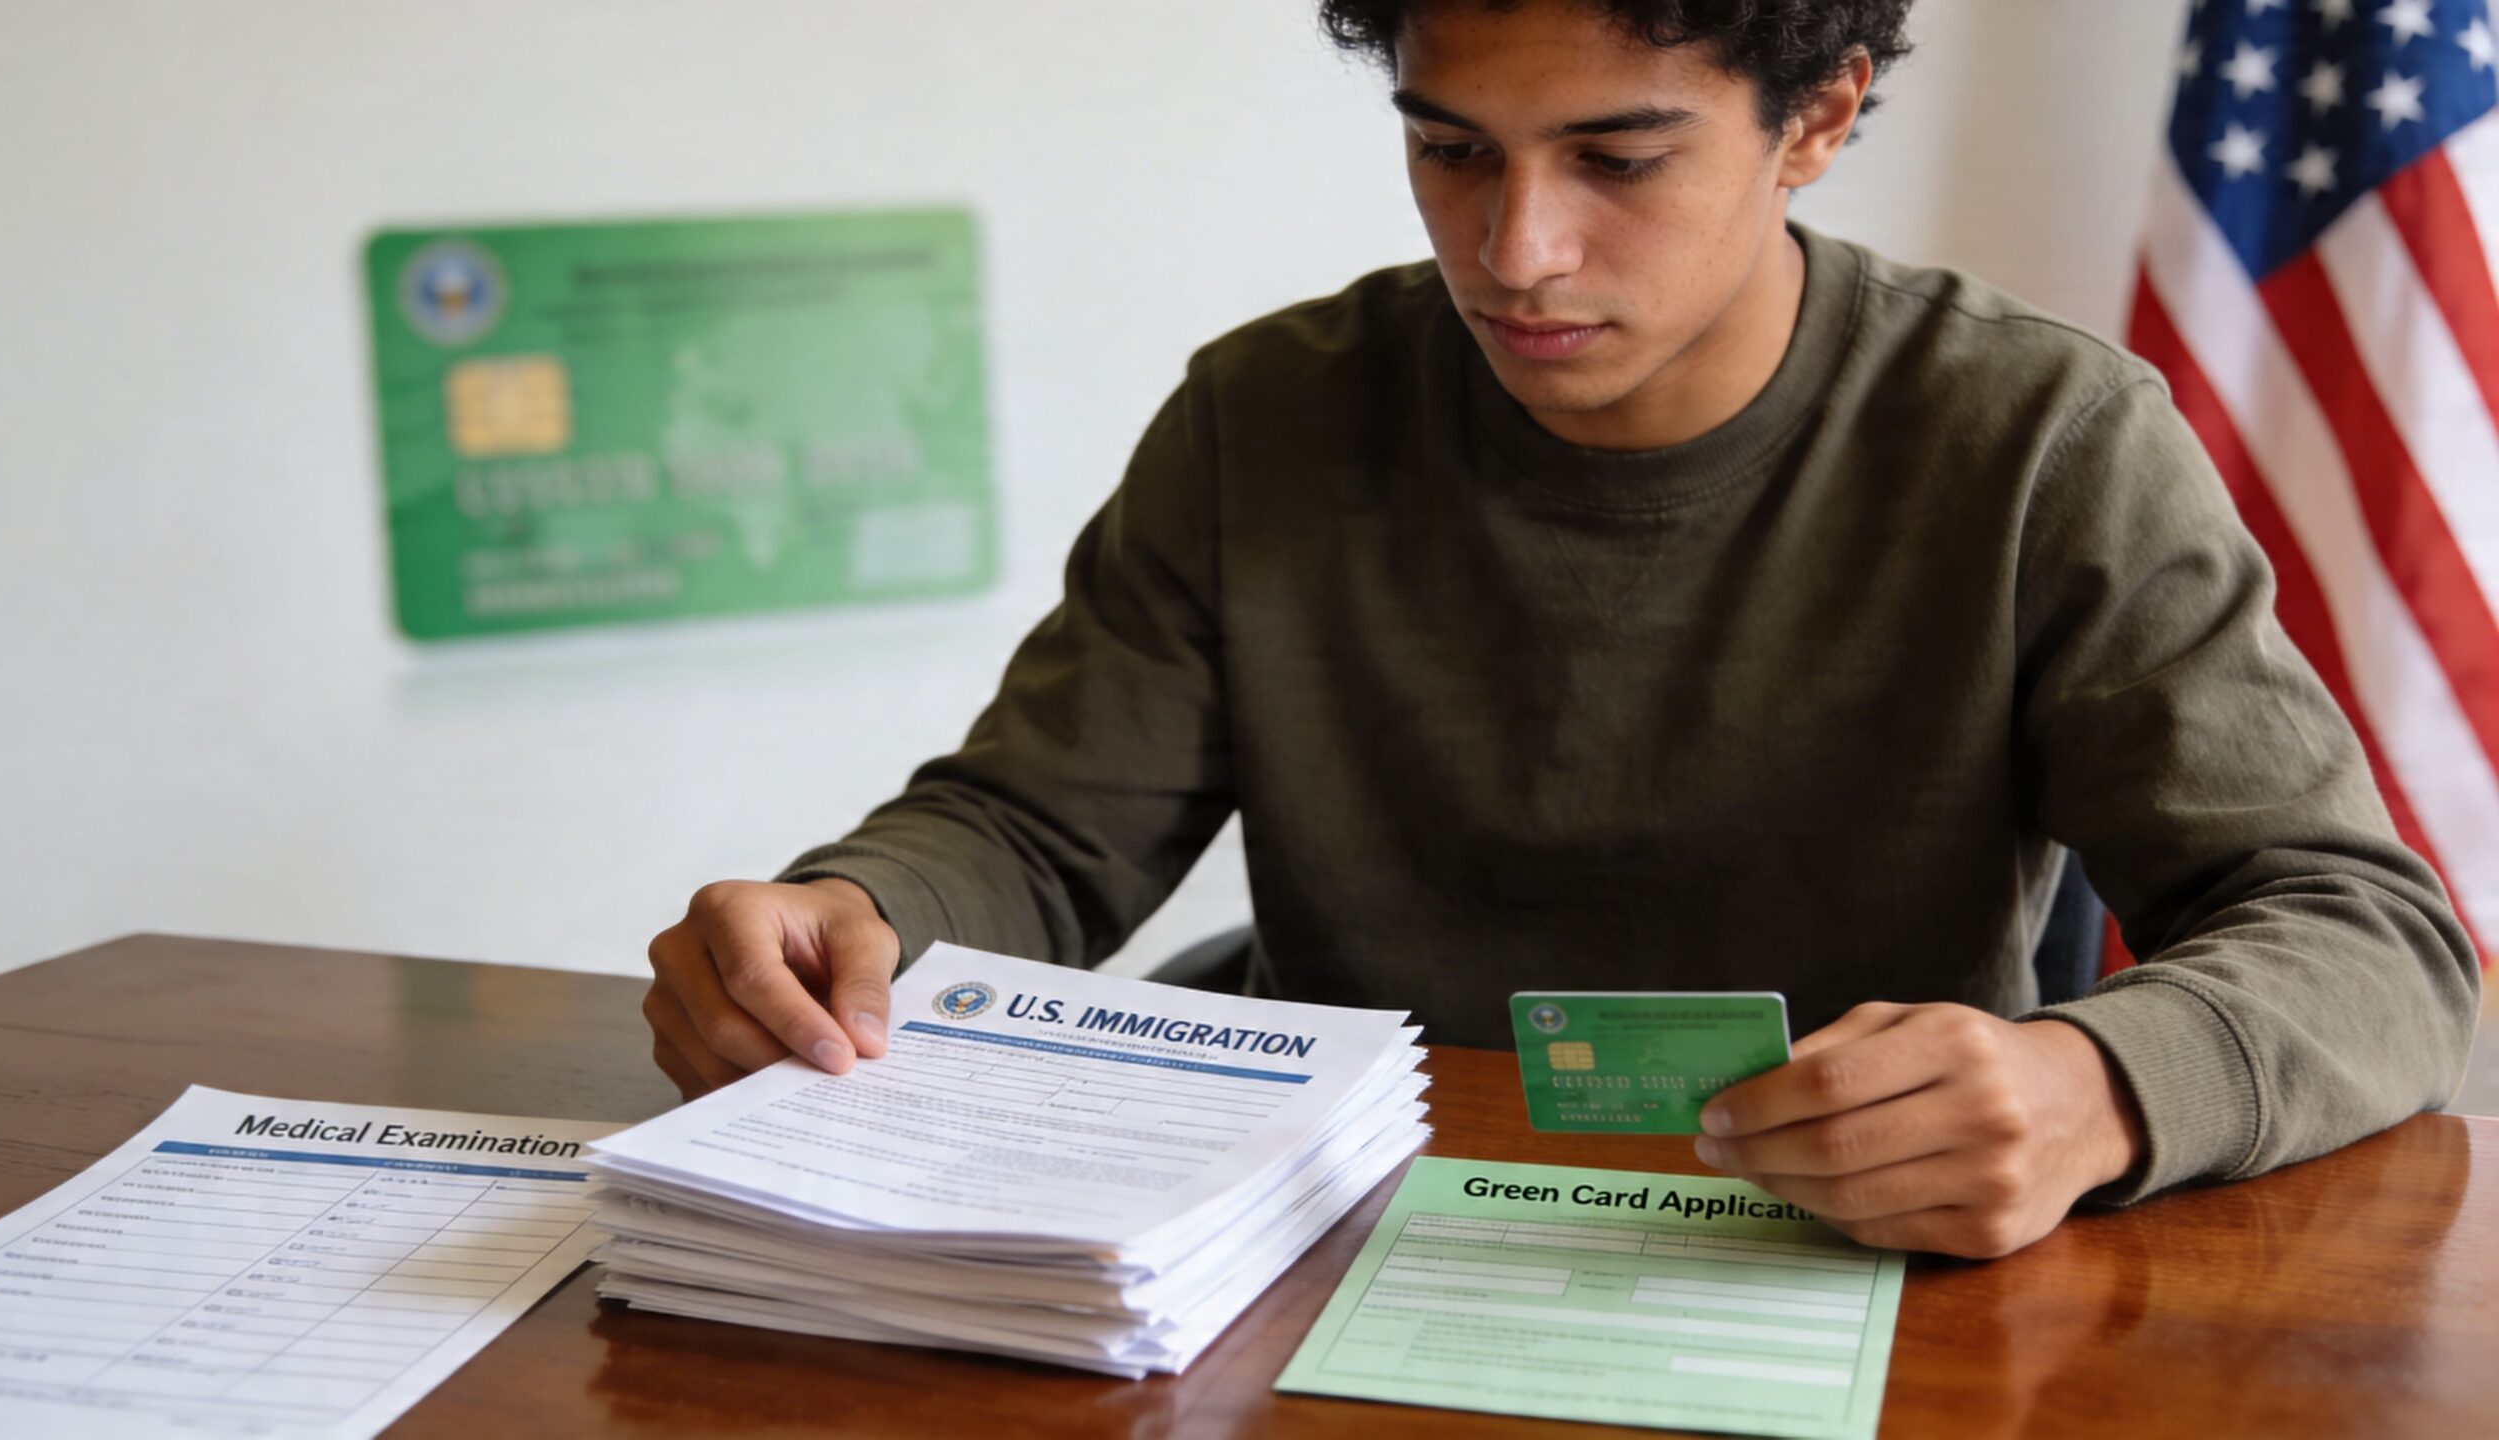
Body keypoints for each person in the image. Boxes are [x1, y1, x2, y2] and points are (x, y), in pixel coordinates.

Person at [641, 0, 2482, 1259]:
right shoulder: (1266, 416)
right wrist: (860, 914)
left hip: (1848, 1257)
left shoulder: (2038, 442)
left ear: (1819, 119)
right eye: (1451, 149)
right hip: (1359, 1242)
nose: (1515, 249)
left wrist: (2096, 1084)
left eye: (1617, 160)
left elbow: (2376, 936)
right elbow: (1036, 834)